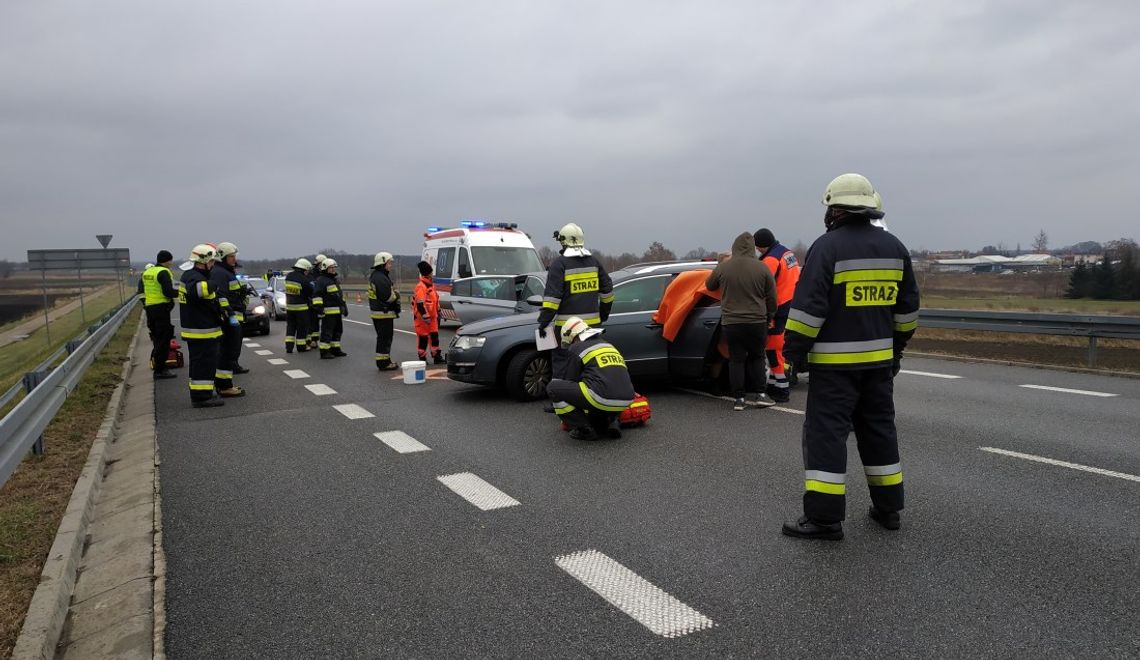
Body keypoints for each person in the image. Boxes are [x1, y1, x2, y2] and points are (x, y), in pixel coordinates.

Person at [780, 173, 920, 541]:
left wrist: (793, 354)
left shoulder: (827, 248)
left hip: (834, 371)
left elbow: (808, 311)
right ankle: (888, 509)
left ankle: (825, 519)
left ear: (835, 209)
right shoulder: (896, 247)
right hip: (878, 368)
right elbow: (907, 313)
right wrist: (896, 351)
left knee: (826, 437)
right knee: (879, 433)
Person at [537, 223, 614, 409]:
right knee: (590, 364)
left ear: (563, 242)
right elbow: (608, 291)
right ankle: (591, 399)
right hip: (593, 328)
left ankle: (559, 402)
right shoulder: (594, 262)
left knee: (562, 364)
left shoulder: (559, 264)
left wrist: (543, 323)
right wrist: (603, 315)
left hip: (567, 329)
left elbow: (551, 301)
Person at [705, 232, 778, 411]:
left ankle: (739, 399)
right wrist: (770, 316)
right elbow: (772, 297)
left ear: (735, 247)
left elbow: (710, 285)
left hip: (732, 323)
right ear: (752, 247)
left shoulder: (725, 267)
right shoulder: (762, 268)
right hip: (756, 321)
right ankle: (761, 395)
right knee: (757, 357)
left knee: (736, 360)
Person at [546, 316, 636, 441]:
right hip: (626, 399)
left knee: (554, 388)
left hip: (600, 397)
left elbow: (570, 380)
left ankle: (584, 430)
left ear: (572, 336)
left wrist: (567, 415)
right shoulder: (608, 345)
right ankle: (613, 421)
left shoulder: (576, 348)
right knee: (601, 392)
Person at [754, 228, 801, 403]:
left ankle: (782, 390)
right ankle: (775, 386)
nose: (758, 251)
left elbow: (760, 285)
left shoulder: (771, 260)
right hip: (791, 303)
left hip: (777, 308)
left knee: (773, 350)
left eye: (758, 247)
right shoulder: (786, 253)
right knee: (777, 348)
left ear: (763, 245)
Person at [179, 244, 225, 408]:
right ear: (204, 261)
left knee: (201, 365)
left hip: (202, 330)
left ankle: (203, 392)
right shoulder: (194, 277)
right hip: (201, 331)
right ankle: (201, 397)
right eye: (212, 261)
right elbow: (199, 291)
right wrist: (214, 283)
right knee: (203, 365)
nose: (213, 265)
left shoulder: (192, 274)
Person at [208, 242, 246, 397]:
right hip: (229, 319)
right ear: (223, 257)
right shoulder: (220, 273)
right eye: (231, 256)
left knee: (229, 353)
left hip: (234, 316)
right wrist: (229, 315)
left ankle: (224, 384)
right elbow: (221, 296)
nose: (234, 259)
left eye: (234, 256)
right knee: (226, 353)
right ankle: (224, 386)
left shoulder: (226, 272)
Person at [140, 252, 178, 380]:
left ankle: (157, 364)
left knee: (157, 337)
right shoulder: (164, 272)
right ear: (167, 261)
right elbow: (168, 292)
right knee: (164, 339)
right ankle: (160, 370)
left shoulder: (148, 272)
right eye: (171, 261)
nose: (171, 263)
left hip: (150, 307)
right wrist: (181, 292)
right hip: (161, 307)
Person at [369, 252, 401, 370]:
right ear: (383, 263)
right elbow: (387, 297)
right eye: (389, 263)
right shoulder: (380, 278)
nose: (391, 265)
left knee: (384, 338)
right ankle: (383, 363)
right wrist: (396, 295)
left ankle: (385, 360)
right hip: (383, 314)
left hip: (382, 313)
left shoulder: (378, 276)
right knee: (384, 338)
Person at [313, 258, 347, 359]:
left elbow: (339, 296)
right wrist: (319, 308)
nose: (333, 270)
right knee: (327, 332)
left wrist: (343, 306)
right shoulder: (321, 280)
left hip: (337, 311)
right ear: (325, 269)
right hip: (328, 312)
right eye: (331, 268)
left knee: (338, 331)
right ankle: (324, 351)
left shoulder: (334, 280)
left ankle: (335, 349)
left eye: (334, 268)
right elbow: (317, 295)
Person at [412, 261, 443, 364]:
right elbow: (420, 304)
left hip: (433, 317)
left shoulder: (430, 285)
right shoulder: (421, 286)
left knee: (435, 337)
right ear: (427, 273)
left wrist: (438, 311)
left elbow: (435, 300)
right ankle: (422, 358)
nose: (432, 274)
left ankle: (436, 356)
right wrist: (426, 317)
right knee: (423, 339)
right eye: (431, 272)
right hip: (422, 319)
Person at [284, 258, 313, 353]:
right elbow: (310, 292)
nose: (307, 272)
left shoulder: (288, 276)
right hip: (301, 308)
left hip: (289, 307)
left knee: (290, 327)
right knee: (302, 327)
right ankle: (301, 347)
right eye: (307, 270)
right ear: (304, 269)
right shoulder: (304, 279)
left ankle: (289, 347)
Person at [307, 254, 327, 349]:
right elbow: (311, 286)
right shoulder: (312, 274)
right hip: (312, 301)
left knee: (320, 322)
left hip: (323, 301)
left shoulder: (323, 273)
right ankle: (311, 340)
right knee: (312, 321)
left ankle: (315, 339)